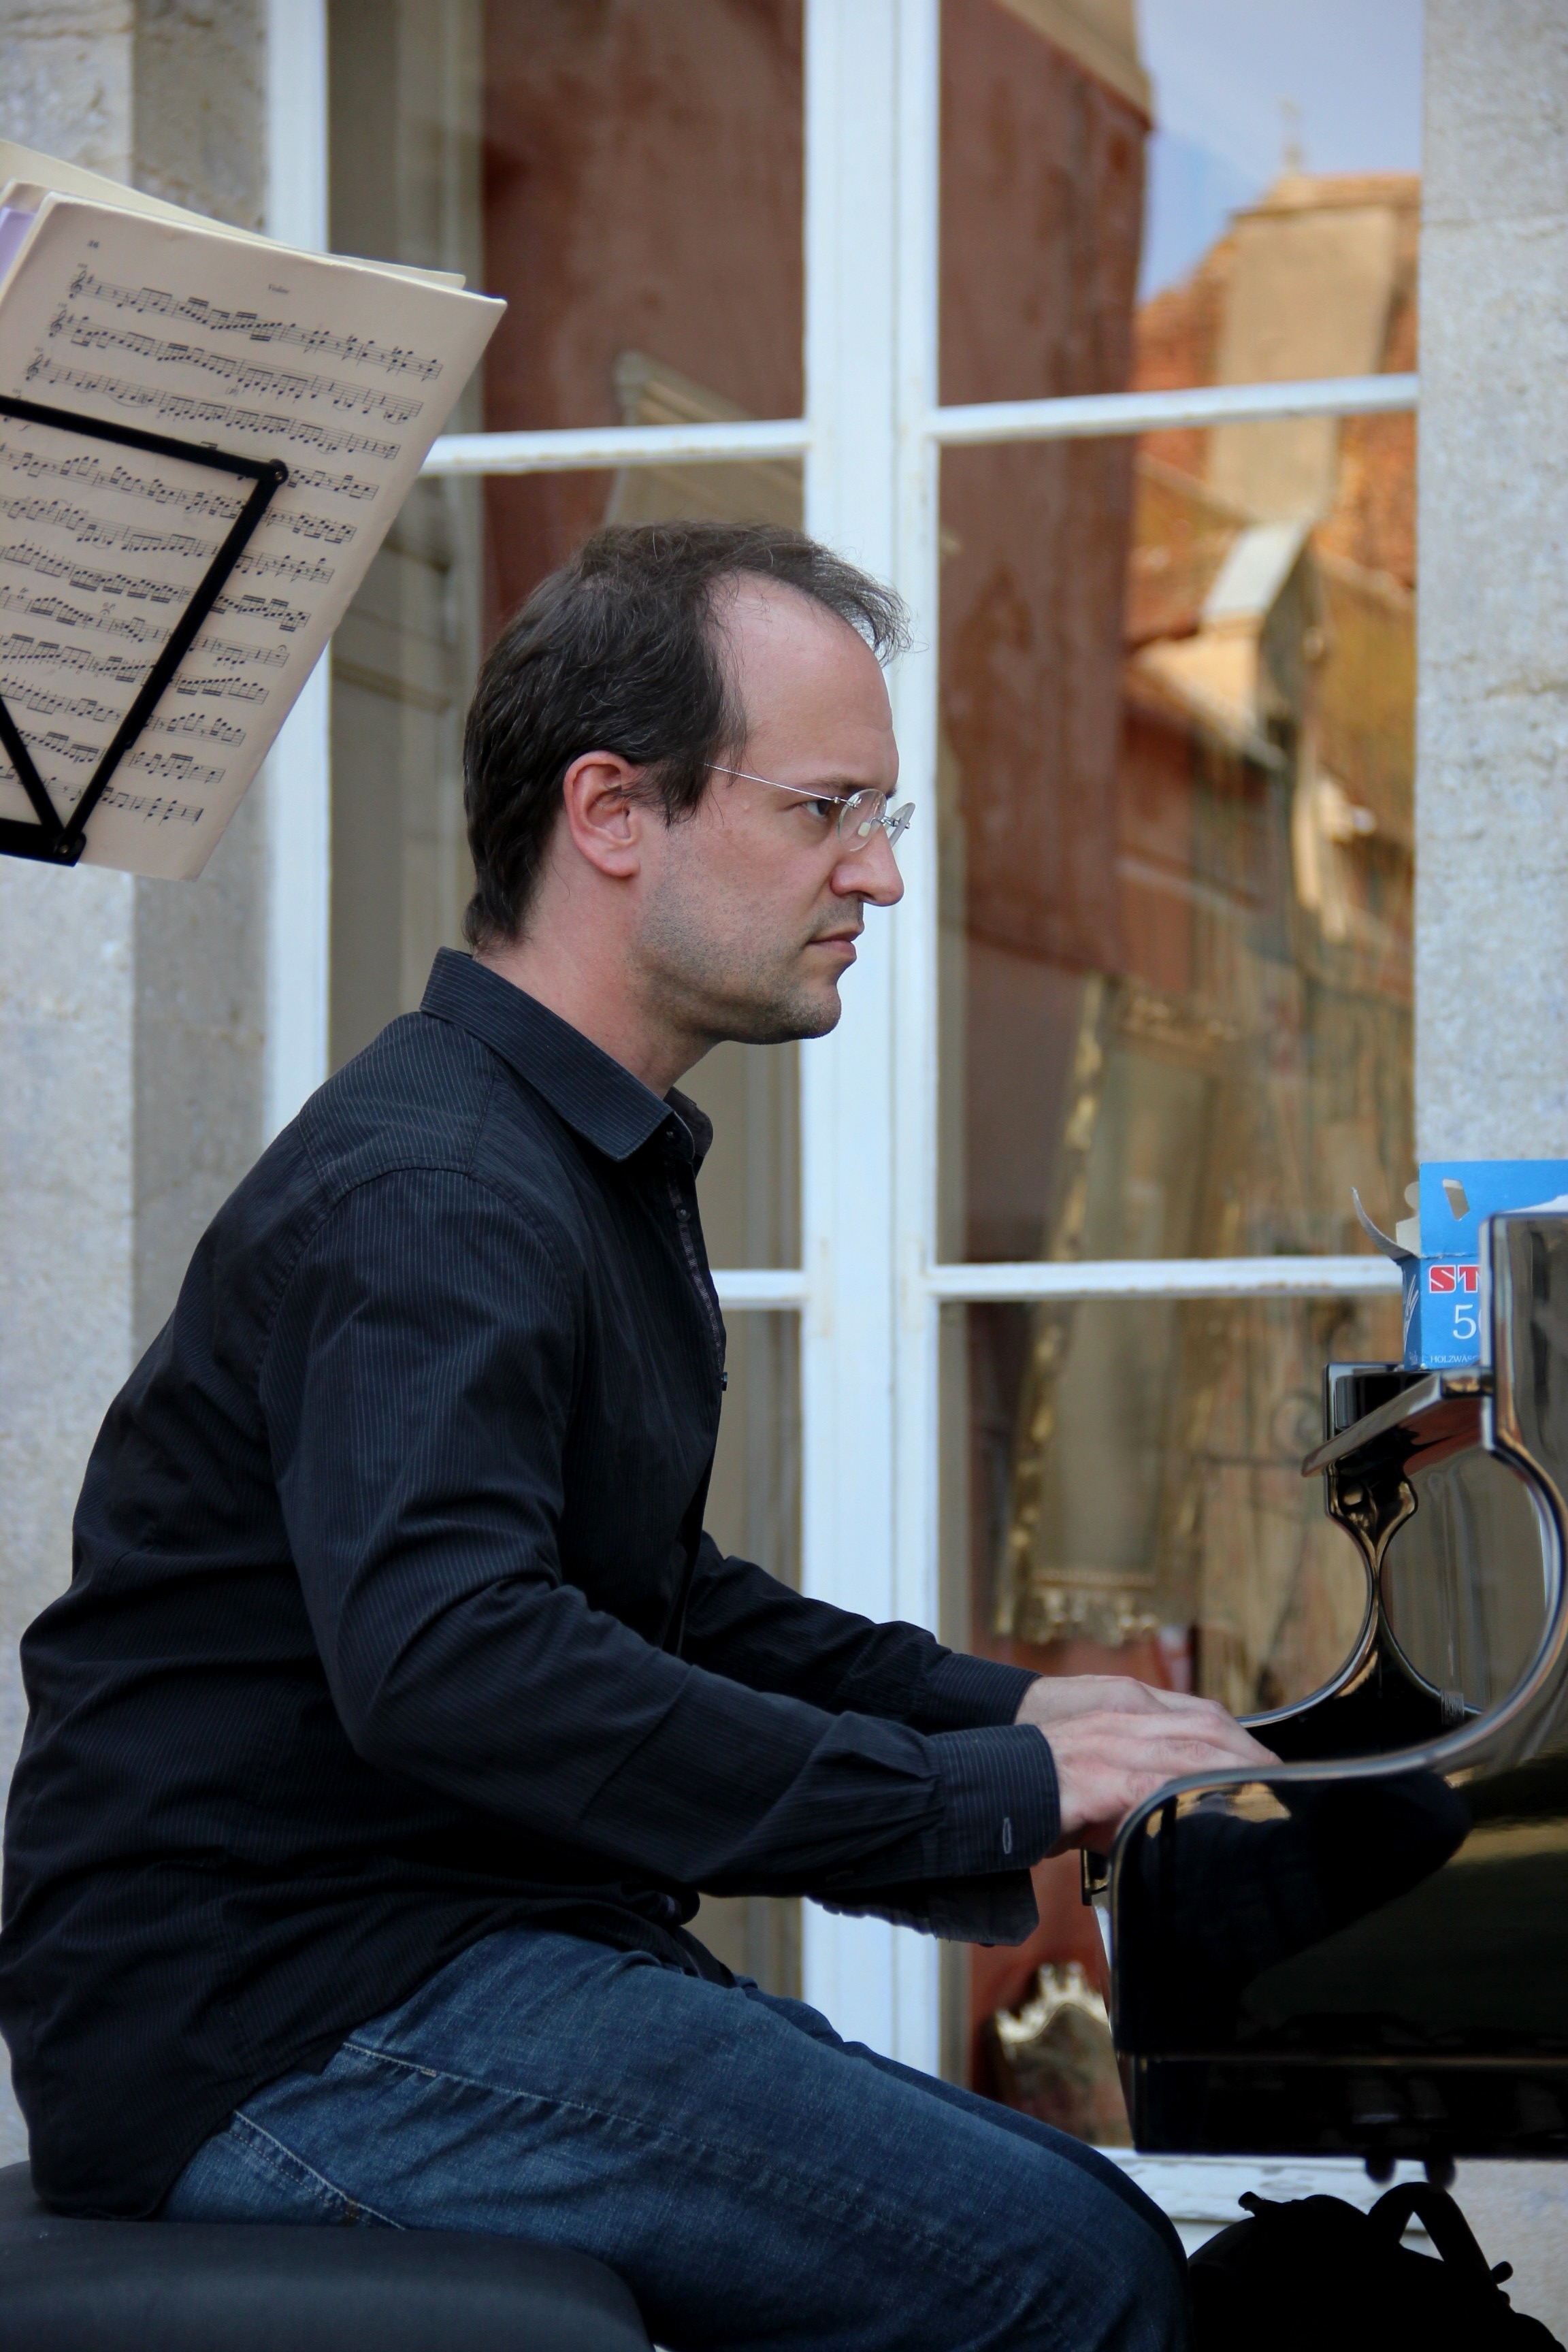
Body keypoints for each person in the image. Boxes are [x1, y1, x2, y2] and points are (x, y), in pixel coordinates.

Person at [0, 521, 1271, 2349]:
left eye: (882, 817)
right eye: (830, 808)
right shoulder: (439, 1192)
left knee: (1079, 2228)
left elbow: (649, 1603)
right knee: (1063, 2273)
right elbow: (460, 1666)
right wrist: (977, 1796)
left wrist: (997, 1714)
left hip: (428, 1969)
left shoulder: (554, 1157)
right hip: (280, 2028)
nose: (879, 877)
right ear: (614, 811)